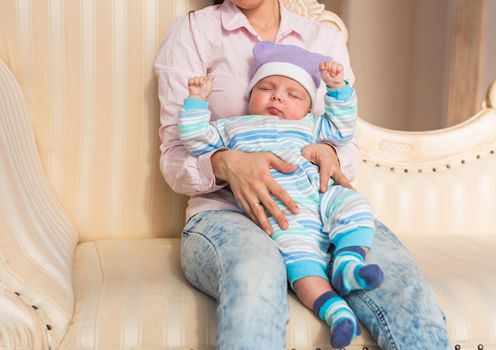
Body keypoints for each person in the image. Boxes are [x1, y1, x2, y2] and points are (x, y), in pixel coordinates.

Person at [154, 0, 451, 349]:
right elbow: (175, 156)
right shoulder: (193, 32)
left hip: (316, 205)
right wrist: (225, 164)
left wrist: (329, 153)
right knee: (255, 273)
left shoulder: (323, 39)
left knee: (398, 283)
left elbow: (346, 140)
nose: (276, 99)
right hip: (226, 213)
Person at [179, 41, 384, 348]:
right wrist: (197, 101)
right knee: (300, 263)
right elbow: (197, 140)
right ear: (250, 96)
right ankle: (335, 311)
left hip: (321, 194)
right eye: (266, 88)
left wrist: (337, 89)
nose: (277, 96)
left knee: (355, 204)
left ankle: (348, 263)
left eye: (293, 94)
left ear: (307, 106)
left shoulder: (311, 126)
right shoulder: (232, 127)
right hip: (280, 212)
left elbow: (342, 129)